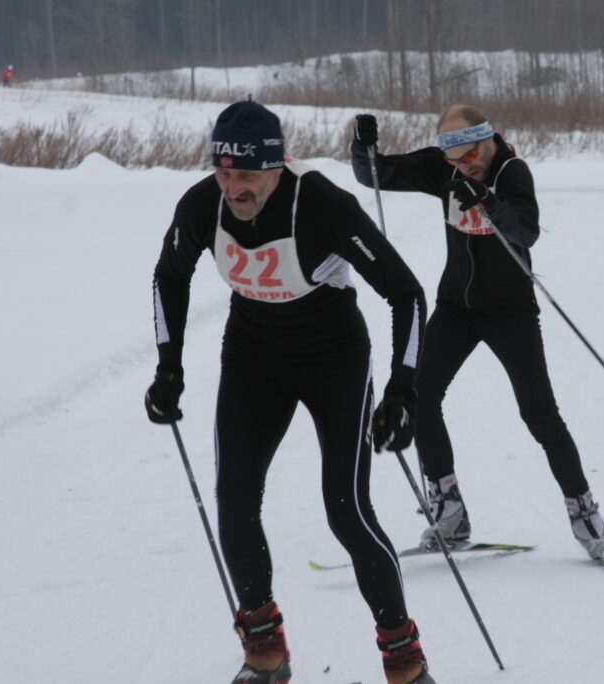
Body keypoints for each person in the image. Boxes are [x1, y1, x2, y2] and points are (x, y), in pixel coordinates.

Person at [145, 100, 435, 684]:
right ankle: (265, 649)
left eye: (247, 176)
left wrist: (403, 392)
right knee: (234, 500)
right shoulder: (202, 205)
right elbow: (169, 275)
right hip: (253, 358)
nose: (235, 189)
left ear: (277, 166)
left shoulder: (324, 205)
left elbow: (406, 294)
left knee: (346, 510)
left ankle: (403, 657)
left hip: (334, 360)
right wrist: (168, 368)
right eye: (224, 173)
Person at [351, 105, 604, 562]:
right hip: (456, 307)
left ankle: (585, 514)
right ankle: (450, 512)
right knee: (420, 396)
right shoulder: (446, 167)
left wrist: (488, 201)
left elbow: (526, 231)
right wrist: (363, 149)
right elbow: (376, 176)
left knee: (539, 414)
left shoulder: (512, 171)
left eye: (470, 156)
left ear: (487, 140)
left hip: (509, 312)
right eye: (453, 160)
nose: (462, 167)